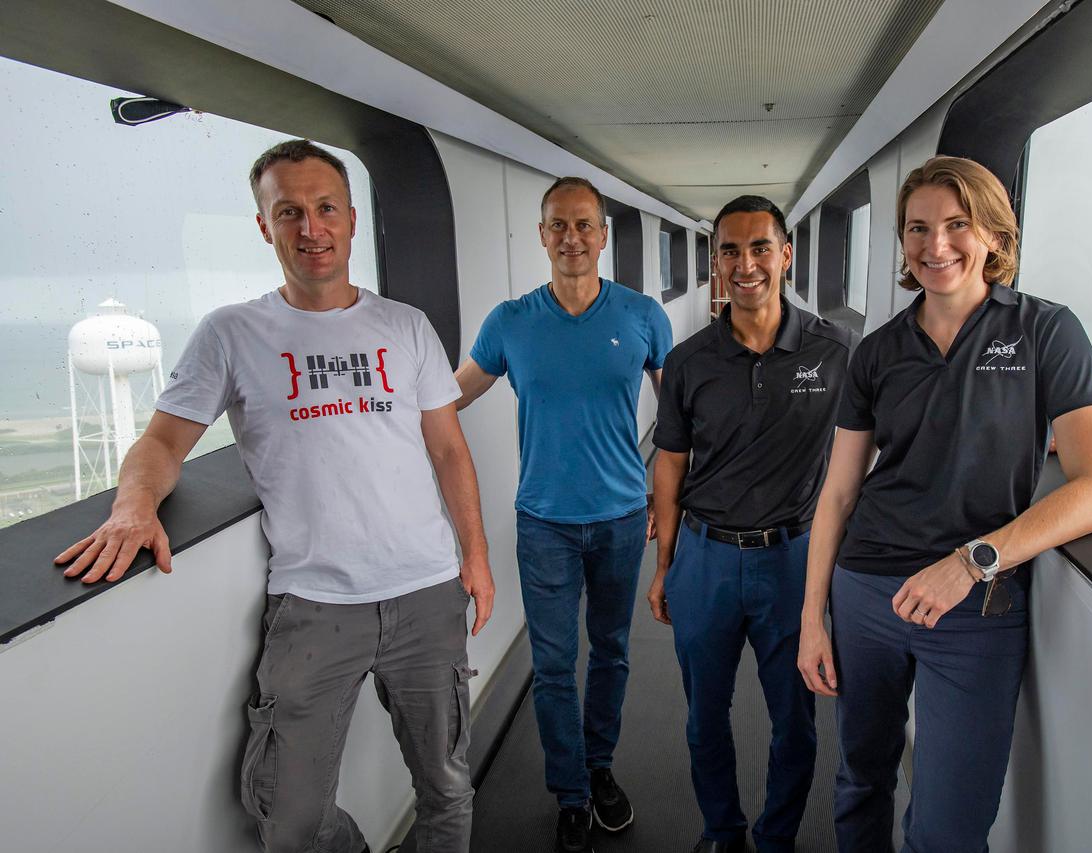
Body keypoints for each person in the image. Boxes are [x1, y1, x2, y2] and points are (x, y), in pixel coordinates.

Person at [54, 139, 494, 853]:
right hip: (314, 601)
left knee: (446, 786)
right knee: (288, 815)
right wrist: (133, 507)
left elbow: (447, 448)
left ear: (351, 219)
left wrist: (475, 556)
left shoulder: (405, 325)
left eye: (326, 209)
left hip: (425, 590)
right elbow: (162, 442)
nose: (311, 228)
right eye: (290, 212)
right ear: (265, 226)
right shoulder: (232, 333)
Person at [797, 156, 1092, 852]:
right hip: (866, 593)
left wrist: (972, 561)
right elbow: (839, 492)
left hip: (975, 605)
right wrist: (811, 620)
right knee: (861, 777)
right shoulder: (878, 352)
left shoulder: (1045, 331)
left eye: (958, 224)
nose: (936, 245)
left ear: (994, 236)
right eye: (918, 228)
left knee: (949, 826)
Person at [453, 176, 672, 853]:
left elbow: (680, 414)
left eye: (584, 225)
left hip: (621, 518)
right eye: (558, 225)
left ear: (603, 235)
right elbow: (448, 397)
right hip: (544, 522)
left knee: (610, 652)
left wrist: (668, 497)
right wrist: (367, 417)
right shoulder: (510, 322)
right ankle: (571, 793)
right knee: (552, 665)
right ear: (542, 235)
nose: (571, 237)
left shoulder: (642, 315)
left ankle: (599, 767)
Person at [648, 195, 854, 853]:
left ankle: (776, 838)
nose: (746, 264)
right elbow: (670, 464)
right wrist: (665, 567)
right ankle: (722, 832)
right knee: (704, 717)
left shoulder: (836, 351)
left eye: (760, 247)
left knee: (795, 720)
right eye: (730, 251)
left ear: (785, 254)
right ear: (716, 261)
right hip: (704, 558)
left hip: (793, 560)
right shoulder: (689, 360)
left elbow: (896, 417)